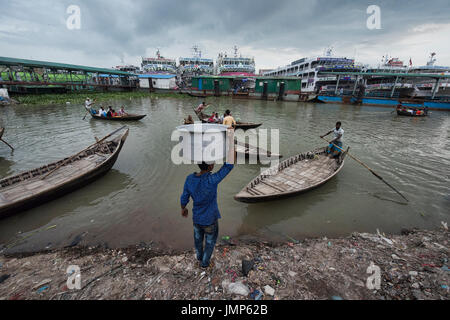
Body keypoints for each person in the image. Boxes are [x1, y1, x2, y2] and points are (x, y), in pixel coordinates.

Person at [180, 130, 235, 270]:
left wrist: (183, 208)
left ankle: (199, 257)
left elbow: (184, 197)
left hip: (197, 218)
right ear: (210, 166)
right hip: (210, 219)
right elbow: (229, 165)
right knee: (210, 242)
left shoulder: (189, 178)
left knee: (198, 240)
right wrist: (230, 138)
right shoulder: (212, 179)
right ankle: (204, 264)